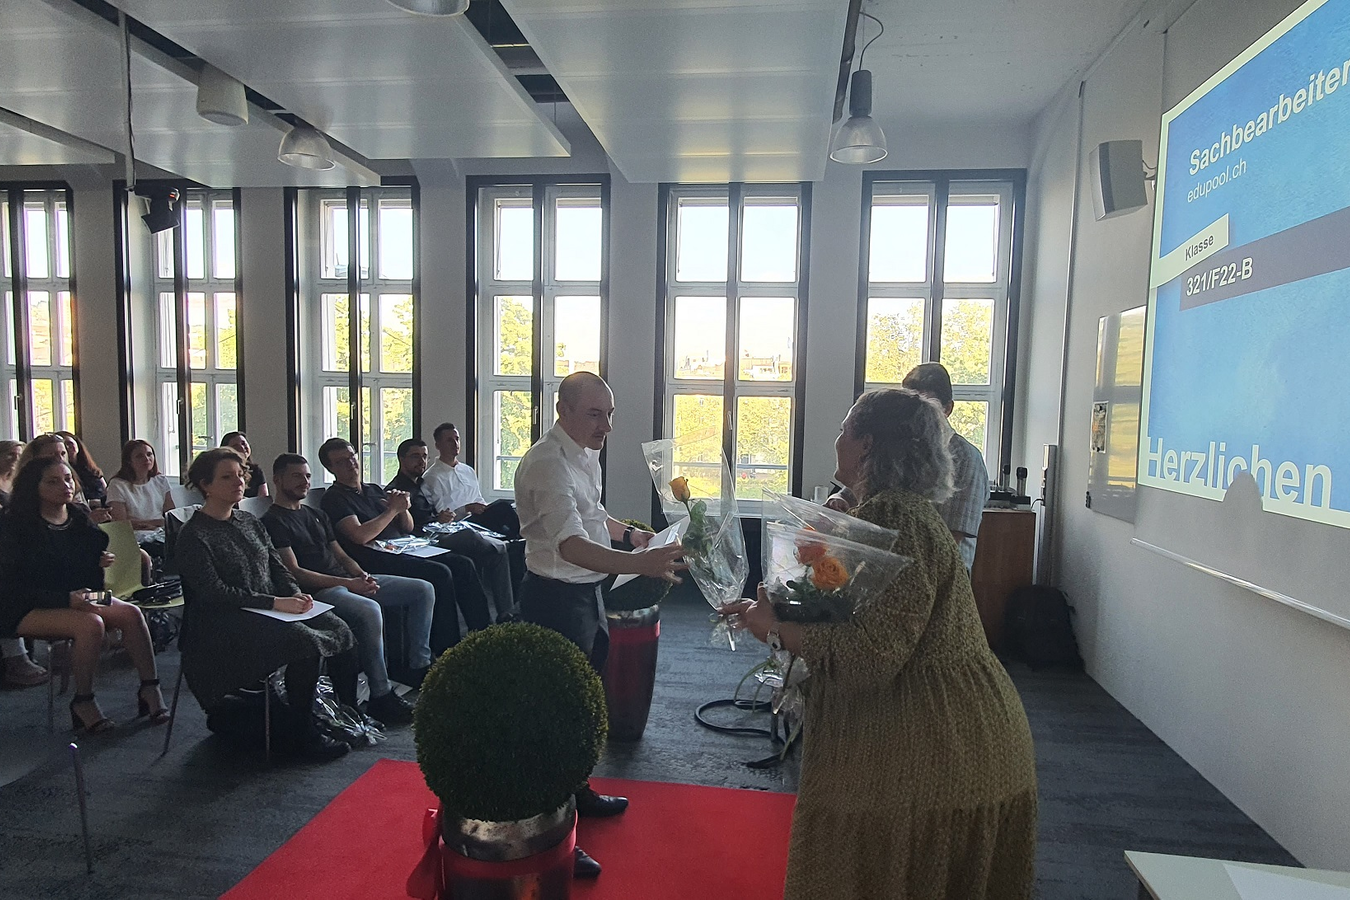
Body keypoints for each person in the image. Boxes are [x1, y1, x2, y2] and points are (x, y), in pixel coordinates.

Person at [720, 388, 1037, 900]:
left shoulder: (897, 520)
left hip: (933, 751)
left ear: (867, 444)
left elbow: (870, 656)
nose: (836, 440)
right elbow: (853, 612)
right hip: (949, 736)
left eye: (844, 430)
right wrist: (778, 606)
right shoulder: (893, 513)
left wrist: (776, 630)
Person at [513, 371, 687, 879]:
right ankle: (555, 832)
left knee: (583, 703)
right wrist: (641, 564)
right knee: (556, 716)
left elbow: (594, 515)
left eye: (609, 414)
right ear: (562, 410)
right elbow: (569, 544)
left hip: (586, 594)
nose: (606, 425)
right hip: (554, 599)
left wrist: (631, 536)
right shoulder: (547, 463)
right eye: (595, 414)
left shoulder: (582, 452)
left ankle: (576, 791)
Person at [176, 447, 358, 761]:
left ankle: (345, 714)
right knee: (304, 642)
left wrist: (295, 595)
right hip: (222, 621)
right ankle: (303, 734)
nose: (238, 482)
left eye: (240, 475)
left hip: (267, 609)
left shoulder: (249, 521)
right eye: (227, 477)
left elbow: (277, 567)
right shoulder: (194, 535)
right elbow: (214, 593)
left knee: (339, 628)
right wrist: (275, 603)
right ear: (206, 485)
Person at [0, 456, 169, 732]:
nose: (65, 486)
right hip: (26, 606)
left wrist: (96, 563)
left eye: (68, 479)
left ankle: (150, 688)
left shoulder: (77, 517)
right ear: (34, 487)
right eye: (53, 482)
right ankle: (83, 700)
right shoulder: (15, 526)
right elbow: (13, 586)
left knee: (131, 612)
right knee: (91, 624)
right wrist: (67, 599)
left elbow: (86, 578)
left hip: (79, 597)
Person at [264, 452, 435, 719]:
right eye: (296, 476)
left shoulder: (315, 514)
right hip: (319, 591)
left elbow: (341, 555)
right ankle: (381, 694)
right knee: (369, 610)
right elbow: (295, 573)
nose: (304, 482)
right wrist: (349, 583)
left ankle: (418, 665)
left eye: (307, 476)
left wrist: (362, 576)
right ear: (277, 480)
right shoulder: (273, 521)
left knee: (423, 590)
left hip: (347, 580)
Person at [318, 438, 491, 656]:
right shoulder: (334, 498)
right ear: (330, 468)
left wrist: (403, 508)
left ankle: (482, 634)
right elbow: (359, 536)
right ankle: (447, 648)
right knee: (440, 573)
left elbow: (407, 527)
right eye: (341, 461)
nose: (351, 463)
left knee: (462, 564)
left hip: (405, 547)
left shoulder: (373, 489)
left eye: (352, 456)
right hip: (375, 557)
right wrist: (391, 511)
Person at [387, 438, 515, 622]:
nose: (421, 461)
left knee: (501, 514)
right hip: (425, 540)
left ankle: (505, 612)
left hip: (443, 529)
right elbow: (406, 528)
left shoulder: (422, 484)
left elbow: (436, 511)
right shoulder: (396, 491)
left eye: (424, 456)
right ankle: (490, 618)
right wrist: (437, 520)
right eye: (415, 456)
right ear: (401, 459)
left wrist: (442, 517)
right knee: (471, 538)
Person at [902, 362, 990, 570]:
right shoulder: (902, 448)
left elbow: (950, 540)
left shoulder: (965, 457)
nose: (917, 414)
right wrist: (841, 499)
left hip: (945, 576)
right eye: (911, 405)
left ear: (947, 409)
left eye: (927, 405)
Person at [0, 440, 51, 688]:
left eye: (18, 455)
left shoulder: (20, 483)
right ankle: (15, 656)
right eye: (9, 455)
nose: (14, 459)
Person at [422, 422, 520, 539]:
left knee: (506, 509)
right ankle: (520, 538)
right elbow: (442, 514)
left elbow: (478, 498)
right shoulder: (432, 477)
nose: (455, 444)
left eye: (457, 439)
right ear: (438, 445)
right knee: (502, 508)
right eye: (449, 440)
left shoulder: (468, 470)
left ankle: (519, 539)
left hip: (477, 518)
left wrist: (484, 507)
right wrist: (466, 508)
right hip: (458, 525)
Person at [16, 434, 113, 523]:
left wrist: (90, 519)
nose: (60, 459)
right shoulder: (27, 488)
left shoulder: (71, 478)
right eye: (52, 454)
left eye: (63, 454)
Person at [106, 440, 174, 546]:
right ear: (129, 461)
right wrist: (155, 523)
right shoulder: (117, 485)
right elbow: (121, 523)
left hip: (160, 531)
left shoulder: (161, 480)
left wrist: (156, 525)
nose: (146, 459)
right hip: (134, 536)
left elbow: (171, 515)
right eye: (139, 456)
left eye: (149, 454)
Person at [57, 431, 108, 507]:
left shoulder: (91, 469)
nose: (67, 447)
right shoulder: (64, 472)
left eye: (69, 443)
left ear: (77, 444)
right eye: (64, 445)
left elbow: (106, 490)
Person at [221, 431, 270, 499]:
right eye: (236, 446)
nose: (242, 447)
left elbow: (263, 498)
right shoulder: (222, 471)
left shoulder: (256, 470)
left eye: (243, 444)